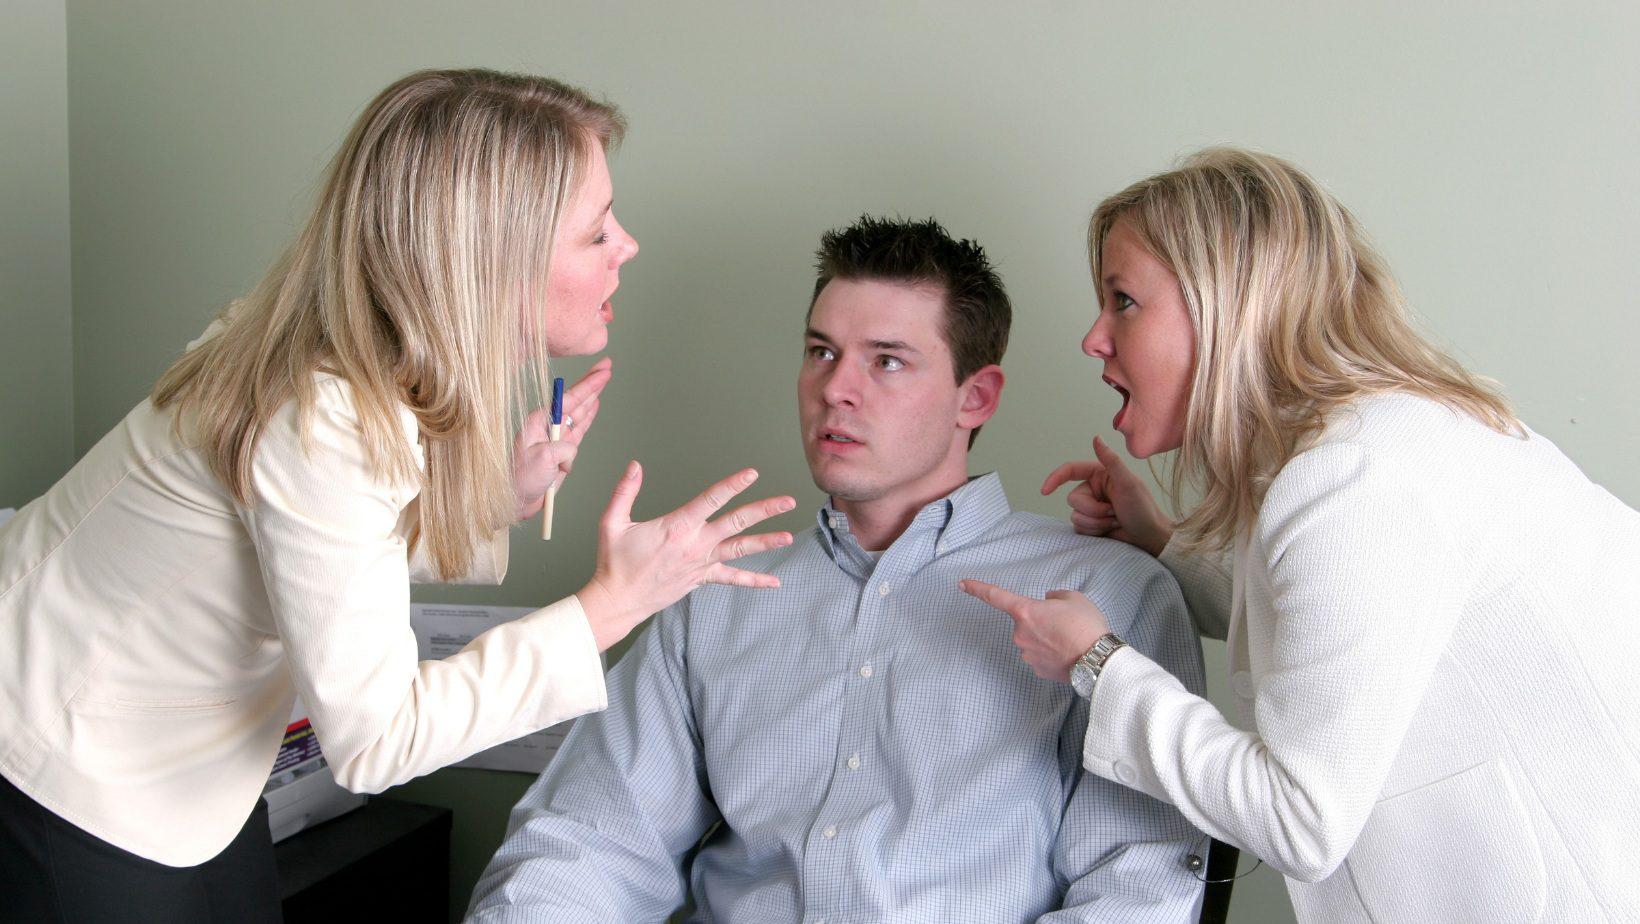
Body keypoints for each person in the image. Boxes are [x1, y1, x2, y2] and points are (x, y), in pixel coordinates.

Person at [0, 68, 795, 922]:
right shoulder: (325, 413)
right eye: (597, 231)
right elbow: (377, 743)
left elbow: (311, 541)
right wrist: (610, 604)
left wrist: (497, 498)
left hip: (184, 777)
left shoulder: (357, 357)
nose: (627, 246)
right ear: (490, 259)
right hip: (65, 765)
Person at [962, 147, 1640, 922]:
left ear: (1228, 303)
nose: (1093, 338)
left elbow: (1300, 818)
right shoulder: (1379, 444)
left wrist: (1098, 663)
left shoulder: (1357, 479)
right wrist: (1162, 544)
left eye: (1122, 300)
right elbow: (1345, 627)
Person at [466, 215, 1209, 923]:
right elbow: (588, 842)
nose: (835, 389)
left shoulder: (1110, 595)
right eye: (821, 352)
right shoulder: (714, 598)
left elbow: (1136, 887)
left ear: (974, 397)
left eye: (886, 360)